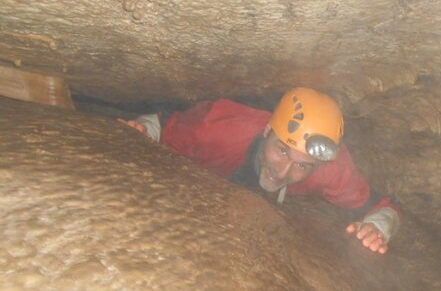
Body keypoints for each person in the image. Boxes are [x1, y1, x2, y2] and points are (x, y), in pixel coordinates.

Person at [122, 88, 399, 254]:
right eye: (281, 151)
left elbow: (383, 205)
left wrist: (378, 227)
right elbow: (163, 123)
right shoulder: (218, 129)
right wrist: (142, 130)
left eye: (303, 166)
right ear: (268, 130)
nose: (283, 172)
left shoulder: (330, 169)